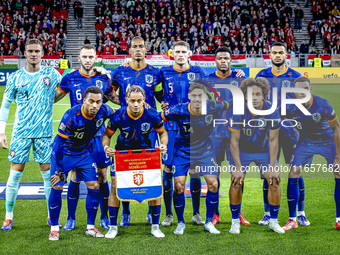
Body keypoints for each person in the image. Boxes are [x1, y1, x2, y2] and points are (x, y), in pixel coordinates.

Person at [54, 44, 120, 231]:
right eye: (85, 57)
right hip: (77, 137)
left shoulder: (102, 78)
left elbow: (115, 99)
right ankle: (71, 218)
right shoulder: (69, 77)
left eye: (91, 57)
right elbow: (54, 97)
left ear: (95, 57)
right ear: (79, 57)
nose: (88, 60)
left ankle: (105, 217)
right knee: (74, 176)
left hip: (98, 136)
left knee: (102, 175)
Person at [0, 39, 62, 231]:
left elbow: (64, 89)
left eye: (37, 51)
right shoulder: (16, 77)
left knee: (47, 175)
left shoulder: (52, 74)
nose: (33, 54)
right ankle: (8, 217)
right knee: (15, 174)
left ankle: (51, 216)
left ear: (42, 54)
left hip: (44, 132)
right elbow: (5, 104)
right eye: (30, 51)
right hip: (21, 132)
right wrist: (2, 131)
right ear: (24, 54)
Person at [161, 83, 231, 235]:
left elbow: (230, 103)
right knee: (178, 185)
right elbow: (158, 119)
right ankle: (180, 223)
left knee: (213, 183)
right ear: (189, 97)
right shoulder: (178, 110)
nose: (197, 99)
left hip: (205, 151)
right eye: (194, 96)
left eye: (200, 96)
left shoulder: (214, 107)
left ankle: (208, 222)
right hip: (182, 151)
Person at [110, 36, 164, 226]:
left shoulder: (155, 73)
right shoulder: (119, 71)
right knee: (125, 172)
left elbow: (160, 96)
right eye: (135, 47)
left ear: (146, 49)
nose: (138, 49)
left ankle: (151, 213)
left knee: (150, 172)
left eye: (141, 46)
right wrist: (121, 104)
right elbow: (110, 91)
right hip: (127, 126)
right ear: (130, 50)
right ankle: (125, 212)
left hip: (148, 129)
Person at [48, 86, 114, 241]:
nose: (95, 105)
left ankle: (90, 227)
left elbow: (119, 114)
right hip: (64, 154)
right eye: (91, 101)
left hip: (84, 154)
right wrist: (59, 171)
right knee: (57, 186)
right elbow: (57, 145)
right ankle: (55, 228)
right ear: (84, 100)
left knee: (94, 185)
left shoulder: (104, 110)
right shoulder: (71, 116)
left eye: (98, 102)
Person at [102, 85, 168, 239]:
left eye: (139, 100)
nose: (136, 104)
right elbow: (106, 135)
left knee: (154, 188)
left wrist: (163, 144)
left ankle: (155, 226)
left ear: (144, 100)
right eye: (132, 101)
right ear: (126, 100)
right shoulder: (118, 115)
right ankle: (112, 227)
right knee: (115, 187)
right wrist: (106, 147)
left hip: (146, 155)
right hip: (123, 155)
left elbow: (163, 132)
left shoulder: (151, 114)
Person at [255, 42, 307, 226]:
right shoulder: (261, 76)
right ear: (269, 55)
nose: (277, 55)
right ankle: (268, 213)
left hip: (291, 131)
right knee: (268, 172)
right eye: (274, 53)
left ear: (287, 55)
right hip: (267, 131)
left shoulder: (296, 77)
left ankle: (299, 213)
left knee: (296, 173)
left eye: (280, 53)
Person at [282, 77, 340, 231]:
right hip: (306, 142)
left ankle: (339, 219)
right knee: (293, 173)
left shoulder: (323, 104)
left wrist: (338, 157)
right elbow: (275, 119)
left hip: (328, 141)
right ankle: (292, 219)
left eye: (305, 90)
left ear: (310, 90)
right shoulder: (289, 107)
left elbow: (336, 128)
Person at [160, 41, 207, 227]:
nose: (180, 55)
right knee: (168, 169)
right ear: (172, 53)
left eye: (183, 52)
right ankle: (169, 214)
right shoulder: (164, 72)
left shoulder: (199, 72)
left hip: (193, 125)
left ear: (190, 53)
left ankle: (196, 213)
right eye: (177, 52)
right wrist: (164, 102)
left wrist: (237, 73)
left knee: (194, 170)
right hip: (170, 127)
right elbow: (155, 91)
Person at [228, 77, 284, 234]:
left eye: (258, 94)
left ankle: (273, 221)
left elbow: (273, 140)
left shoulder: (272, 111)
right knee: (236, 181)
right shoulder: (238, 111)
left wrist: (273, 166)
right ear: (245, 96)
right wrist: (238, 167)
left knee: (274, 179)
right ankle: (234, 222)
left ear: (264, 95)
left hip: (263, 150)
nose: (254, 97)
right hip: (242, 150)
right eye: (250, 94)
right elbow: (234, 142)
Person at [204, 46, 249, 226]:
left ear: (231, 61)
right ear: (215, 61)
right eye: (220, 58)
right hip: (214, 133)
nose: (223, 61)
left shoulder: (240, 79)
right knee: (214, 175)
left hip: (236, 134)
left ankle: (236, 214)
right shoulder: (207, 80)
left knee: (238, 174)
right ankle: (214, 214)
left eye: (226, 59)